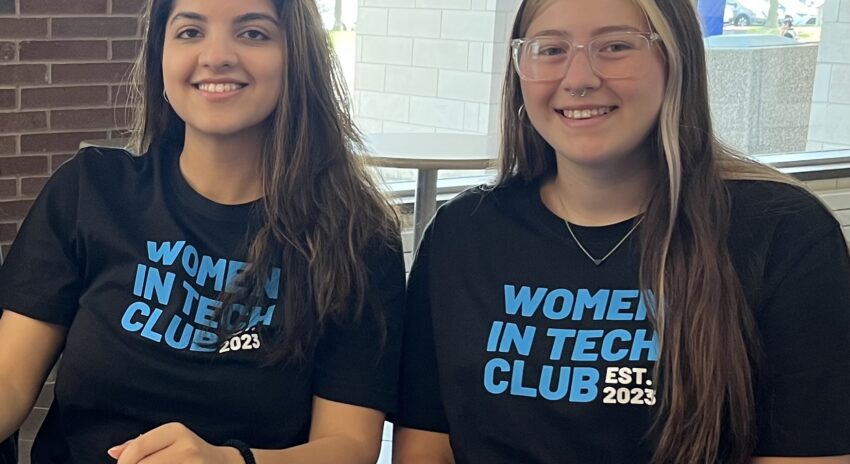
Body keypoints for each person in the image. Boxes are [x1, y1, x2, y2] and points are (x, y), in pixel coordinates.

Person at [391, 0, 850, 463]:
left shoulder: (784, 233)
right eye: (550, 50)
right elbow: (425, 446)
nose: (579, 78)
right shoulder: (463, 234)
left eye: (615, 46)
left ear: (676, 60)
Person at [0, 0, 405, 463]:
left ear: (298, 55)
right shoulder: (90, 190)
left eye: (252, 33)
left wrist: (229, 461)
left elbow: (349, 447)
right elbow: (9, 381)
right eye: (190, 32)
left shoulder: (359, 238)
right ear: (161, 54)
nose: (216, 56)